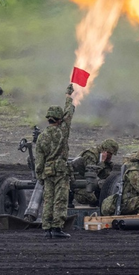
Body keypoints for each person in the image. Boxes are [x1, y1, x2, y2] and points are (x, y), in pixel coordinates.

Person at [35, 84, 75, 238]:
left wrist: (40, 174)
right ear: (59, 119)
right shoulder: (62, 131)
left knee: (48, 199)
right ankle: (57, 228)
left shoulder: (42, 136)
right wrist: (68, 96)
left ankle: (47, 229)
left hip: (47, 171)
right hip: (60, 171)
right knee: (60, 199)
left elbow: (39, 159)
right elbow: (69, 113)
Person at [71, 139, 119, 207]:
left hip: (88, 182)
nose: (110, 156)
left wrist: (108, 165)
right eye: (109, 153)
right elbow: (92, 173)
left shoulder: (103, 158)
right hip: (78, 183)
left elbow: (105, 176)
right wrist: (102, 162)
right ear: (104, 150)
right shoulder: (90, 155)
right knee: (90, 198)